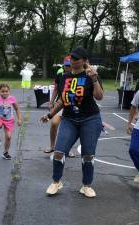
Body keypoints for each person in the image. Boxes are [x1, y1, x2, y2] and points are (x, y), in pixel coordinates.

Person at [40, 47, 103, 198]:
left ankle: (86, 186)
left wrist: (94, 79)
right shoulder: (65, 77)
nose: (73, 61)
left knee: (88, 155)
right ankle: (56, 182)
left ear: (85, 61)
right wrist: (50, 115)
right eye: (72, 58)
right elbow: (63, 100)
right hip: (69, 119)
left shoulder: (91, 76)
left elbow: (99, 97)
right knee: (59, 151)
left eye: (76, 58)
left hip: (90, 119)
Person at [44, 57, 75, 158]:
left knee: (71, 129)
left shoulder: (78, 75)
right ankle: (52, 146)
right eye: (65, 66)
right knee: (54, 123)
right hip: (60, 103)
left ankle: (67, 149)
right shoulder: (60, 74)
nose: (67, 67)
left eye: (69, 66)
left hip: (73, 104)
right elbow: (56, 89)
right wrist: (51, 102)